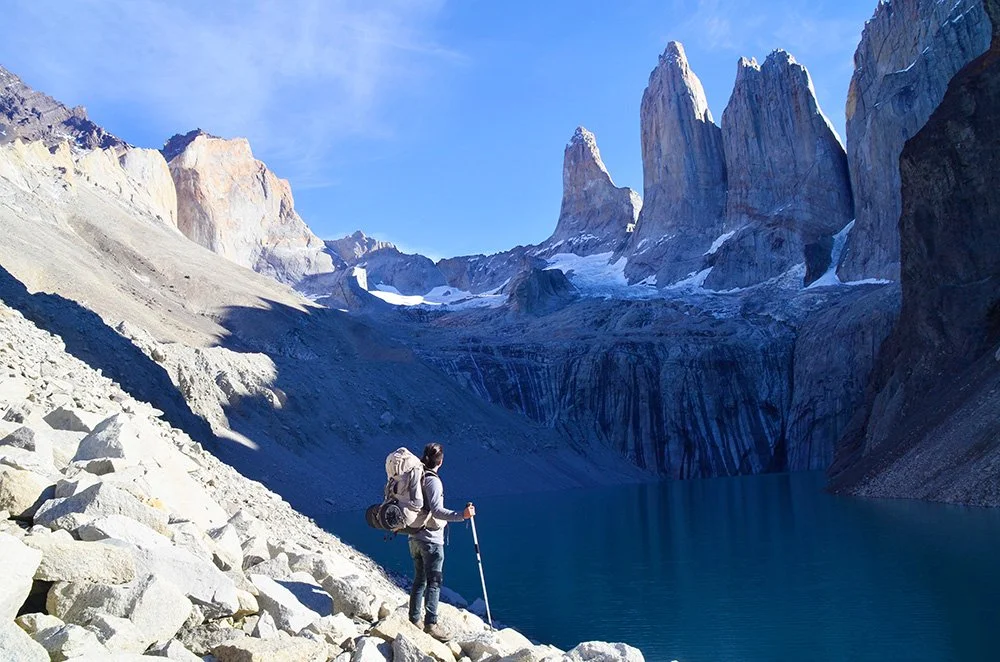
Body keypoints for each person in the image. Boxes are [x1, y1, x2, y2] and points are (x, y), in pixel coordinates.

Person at [408, 442, 475, 639]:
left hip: (413, 536)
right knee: (434, 582)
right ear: (441, 461)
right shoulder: (433, 481)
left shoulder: (417, 477)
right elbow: (437, 511)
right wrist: (462, 515)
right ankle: (431, 623)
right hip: (431, 540)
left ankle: (414, 619)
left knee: (419, 580)